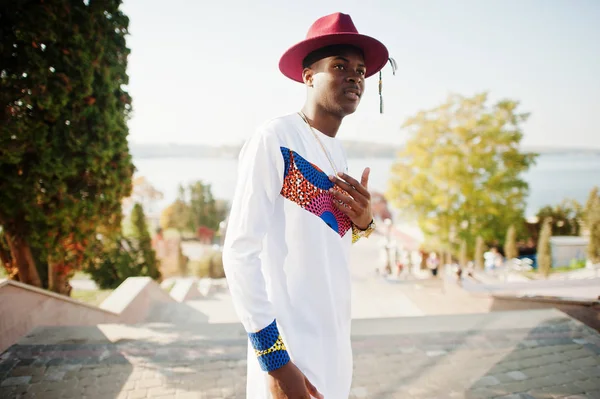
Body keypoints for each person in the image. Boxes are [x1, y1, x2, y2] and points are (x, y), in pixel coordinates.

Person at [222, 12, 390, 399]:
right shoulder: (275, 137)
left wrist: (364, 224)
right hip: (290, 351)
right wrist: (276, 362)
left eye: (361, 70)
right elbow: (238, 252)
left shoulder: (337, 151)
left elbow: (320, 240)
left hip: (335, 346)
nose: (355, 76)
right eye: (340, 66)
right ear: (309, 75)